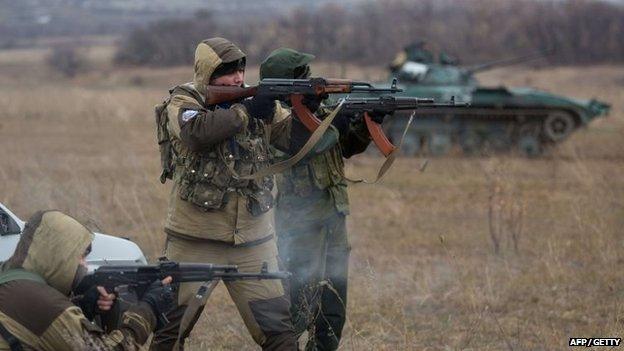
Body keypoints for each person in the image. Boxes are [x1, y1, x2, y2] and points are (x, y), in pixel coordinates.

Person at [151, 38, 300, 350]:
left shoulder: (258, 102)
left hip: (252, 242)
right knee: (170, 331)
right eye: (228, 72)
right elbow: (196, 132)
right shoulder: (185, 100)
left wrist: (310, 111)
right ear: (207, 74)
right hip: (195, 239)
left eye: (241, 71)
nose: (237, 78)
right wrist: (245, 112)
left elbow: (293, 139)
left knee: (279, 332)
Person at [259, 47, 377, 351]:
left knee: (333, 307)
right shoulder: (273, 121)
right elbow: (293, 152)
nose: (311, 79)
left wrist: (366, 123)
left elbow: (347, 146)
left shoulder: (320, 113)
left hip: (333, 218)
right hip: (299, 225)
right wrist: (328, 127)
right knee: (297, 305)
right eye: (302, 76)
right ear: (288, 83)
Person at [0, 210, 174, 350]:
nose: (84, 264)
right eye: (81, 257)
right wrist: (147, 310)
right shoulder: (45, 304)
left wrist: (81, 305)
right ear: (60, 256)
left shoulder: (9, 277)